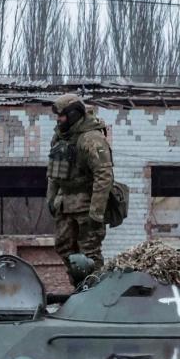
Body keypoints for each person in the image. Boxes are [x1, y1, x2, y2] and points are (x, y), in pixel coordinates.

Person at [46, 94, 114, 273]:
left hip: (87, 204)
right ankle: (80, 286)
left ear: (74, 113)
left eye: (62, 115)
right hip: (65, 203)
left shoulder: (91, 139)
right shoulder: (60, 137)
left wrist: (96, 212)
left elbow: (104, 175)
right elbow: (54, 173)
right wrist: (51, 199)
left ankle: (95, 290)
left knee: (89, 252)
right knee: (64, 248)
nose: (59, 120)